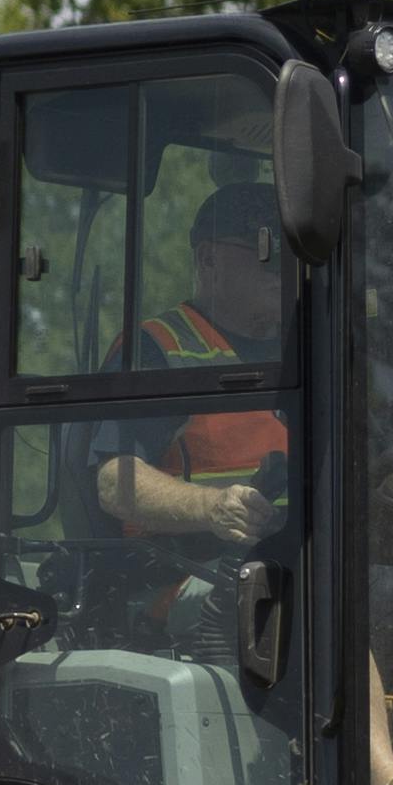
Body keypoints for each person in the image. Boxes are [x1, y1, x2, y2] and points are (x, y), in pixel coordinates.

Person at [95, 179, 294, 545]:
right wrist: (211, 507)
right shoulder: (156, 348)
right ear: (209, 259)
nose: (286, 269)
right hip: (187, 573)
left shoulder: (310, 346)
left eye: (295, 254)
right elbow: (113, 481)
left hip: (304, 563)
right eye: (270, 251)